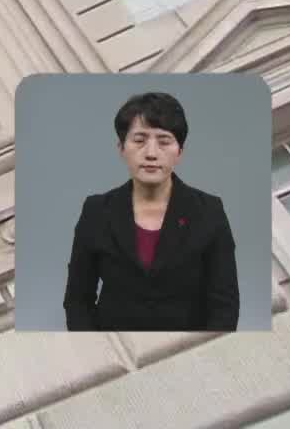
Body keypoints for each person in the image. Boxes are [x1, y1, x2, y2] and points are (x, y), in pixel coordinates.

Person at [62, 91, 239, 331]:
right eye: (139, 140)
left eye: (164, 141)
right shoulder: (97, 211)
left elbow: (225, 304)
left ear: (180, 151)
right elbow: (77, 300)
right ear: (121, 148)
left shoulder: (209, 211)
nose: (151, 153)